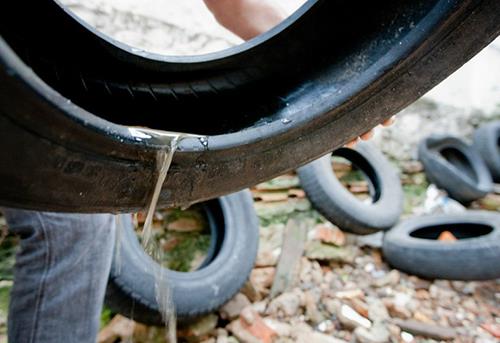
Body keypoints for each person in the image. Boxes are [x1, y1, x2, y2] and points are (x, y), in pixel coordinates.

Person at [3, 1, 392, 342]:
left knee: (77, 215)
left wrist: (338, 79)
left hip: (36, 61)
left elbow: (237, 5)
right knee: (71, 217)